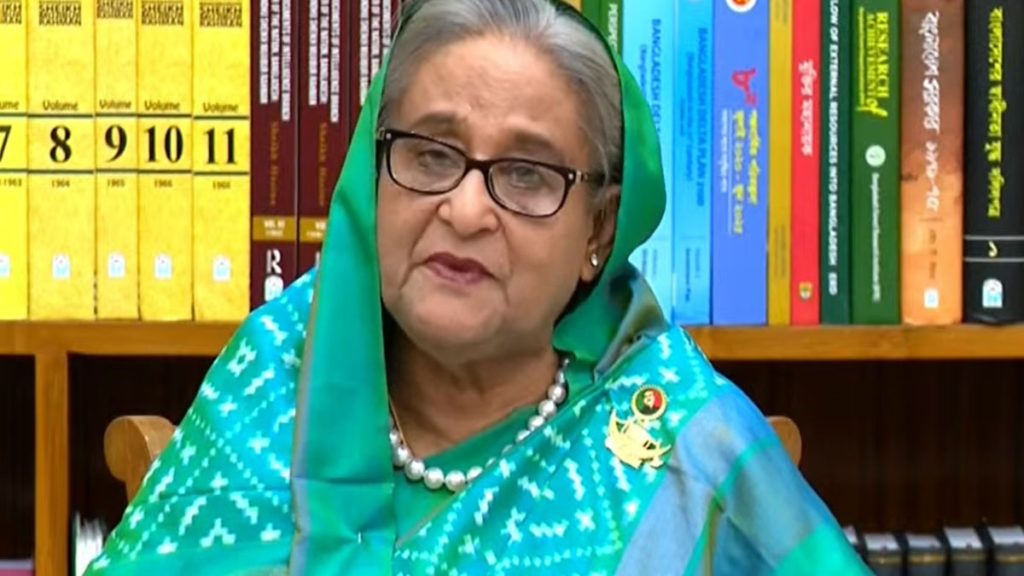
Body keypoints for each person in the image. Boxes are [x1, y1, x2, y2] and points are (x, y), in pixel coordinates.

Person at [86, 0, 870, 573]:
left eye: (526, 174)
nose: (464, 211)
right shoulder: (274, 374)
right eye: (430, 154)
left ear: (598, 231)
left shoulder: (683, 449)